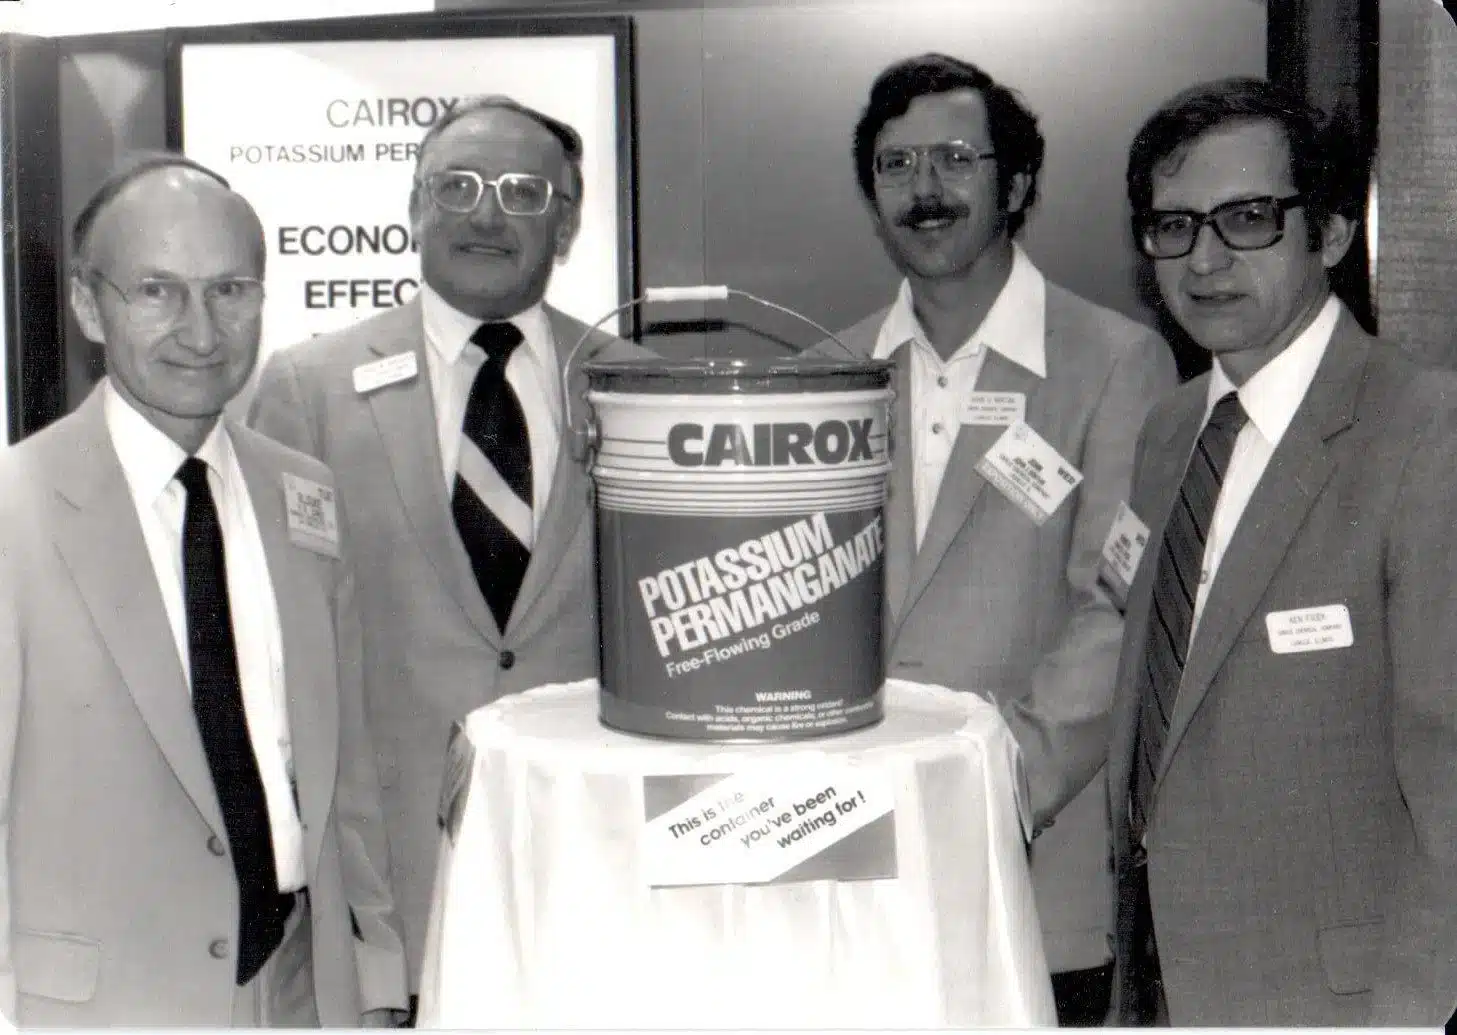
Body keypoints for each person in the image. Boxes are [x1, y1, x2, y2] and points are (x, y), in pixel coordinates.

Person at [249, 95, 654, 1005]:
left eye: (521, 191)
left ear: (567, 223)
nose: (484, 213)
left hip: (595, 856)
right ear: (414, 206)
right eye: (457, 186)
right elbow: (278, 657)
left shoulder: (641, 387)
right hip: (388, 873)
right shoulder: (306, 389)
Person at [0, 152, 407, 1026]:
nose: (201, 331)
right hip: (99, 1006)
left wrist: (373, 979)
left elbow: (345, 768)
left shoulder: (304, 493)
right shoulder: (16, 510)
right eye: (156, 290)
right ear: (86, 304)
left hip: (300, 987)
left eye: (230, 290)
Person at [815, 53, 1177, 1024]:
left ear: (1014, 183)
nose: (923, 190)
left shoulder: (1114, 362)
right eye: (894, 166)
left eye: (954, 159)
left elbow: (1117, 603)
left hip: (1026, 862)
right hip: (838, 866)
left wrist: (992, 785)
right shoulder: (824, 373)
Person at [1107, 76, 1457, 1025]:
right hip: (1159, 981)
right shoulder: (1169, 429)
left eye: (1248, 218)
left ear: (1333, 233)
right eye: (1172, 224)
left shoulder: (1426, 433)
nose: (1205, 259)